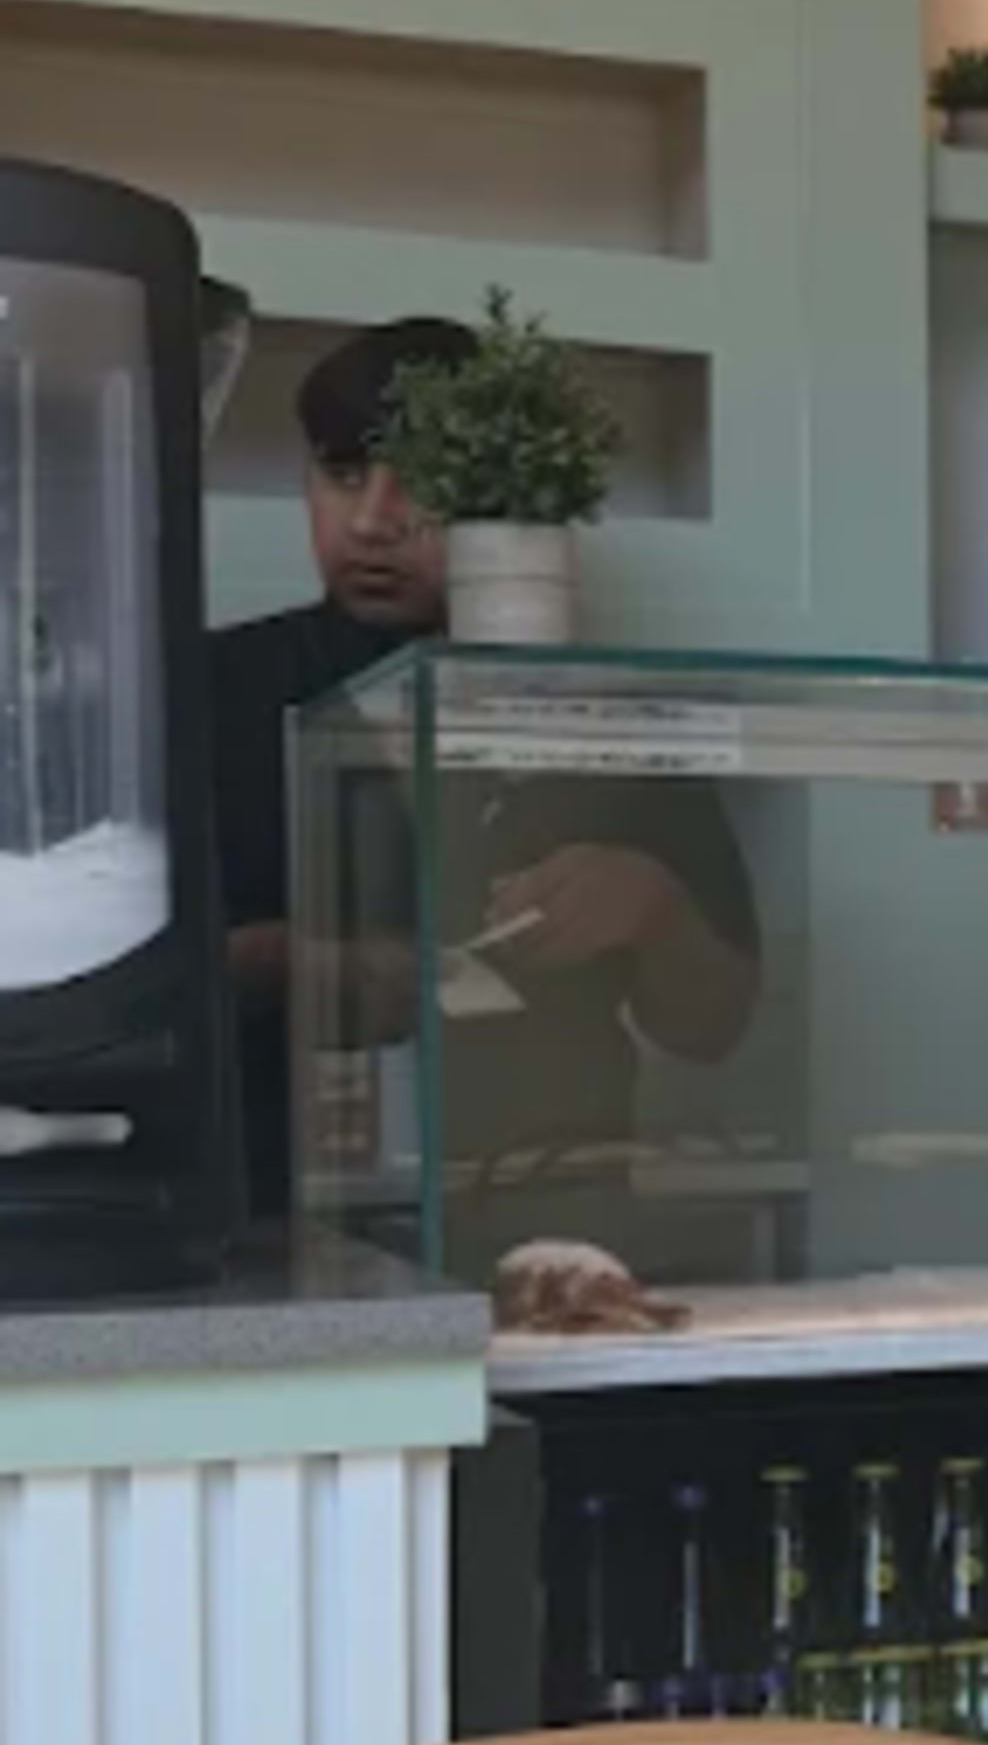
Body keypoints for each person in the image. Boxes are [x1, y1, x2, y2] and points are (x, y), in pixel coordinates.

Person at [212, 315, 758, 1224]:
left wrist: (655, 907)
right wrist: (289, 964)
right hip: (276, 1212)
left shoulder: (607, 717)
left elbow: (715, 1026)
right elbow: (124, 990)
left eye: (424, 479)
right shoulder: (212, 686)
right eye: (343, 476)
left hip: (557, 1213)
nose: (374, 519)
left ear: (506, 486)